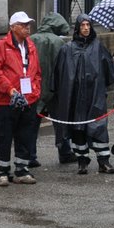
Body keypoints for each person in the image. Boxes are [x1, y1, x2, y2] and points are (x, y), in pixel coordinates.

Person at [51, 16, 114, 174]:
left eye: (88, 25)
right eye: (83, 25)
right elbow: (58, 74)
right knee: (78, 129)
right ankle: (82, 161)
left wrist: (100, 88)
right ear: (78, 28)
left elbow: (109, 71)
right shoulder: (68, 49)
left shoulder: (98, 47)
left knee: (99, 128)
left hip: (95, 95)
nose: (86, 28)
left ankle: (103, 161)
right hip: (75, 97)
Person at [0, 11, 41, 186]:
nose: (27, 27)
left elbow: (37, 73)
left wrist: (35, 92)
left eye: (28, 24)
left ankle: (21, 169)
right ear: (13, 27)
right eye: (23, 25)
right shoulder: (1, 46)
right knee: (5, 136)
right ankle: (3, 171)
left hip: (28, 99)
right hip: (7, 101)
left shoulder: (31, 46)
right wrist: (10, 91)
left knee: (25, 134)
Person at [33, 11, 75, 166]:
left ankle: (30, 155)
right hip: (56, 88)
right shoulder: (60, 43)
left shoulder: (31, 41)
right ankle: (64, 151)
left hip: (35, 87)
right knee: (60, 121)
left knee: (32, 122)